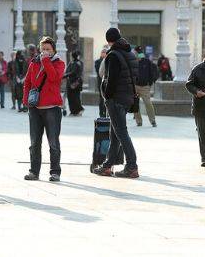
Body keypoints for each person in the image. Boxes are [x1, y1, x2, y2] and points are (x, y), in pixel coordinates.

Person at [93, 27, 139, 179]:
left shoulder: (113, 55)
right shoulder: (129, 53)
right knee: (115, 133)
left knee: (121, 132)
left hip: (116, 99)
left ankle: (132, 166)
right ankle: (107, 165)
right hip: (127, 97)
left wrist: (107, 95)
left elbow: (111, 79)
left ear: (108, 40)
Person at [23, 36, 65, 181]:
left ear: (54, 50)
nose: (45, 52)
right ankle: (34, 171)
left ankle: (55, 172)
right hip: (35, 108)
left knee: (53, 142)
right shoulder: (33, 63)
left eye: (48, 49)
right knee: (34, 142)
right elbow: (27, 82)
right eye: (43, 49)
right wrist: (26, 100)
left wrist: (46, 61)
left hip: (52, 108)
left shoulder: (59, 64)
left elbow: (54, 78)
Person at [132, 46, 159, 127]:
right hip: (135, 86)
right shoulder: (132, 62)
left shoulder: (146, 62)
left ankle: (153, 120)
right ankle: (138, 121)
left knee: (148, 103)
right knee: (135, 104)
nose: (134, 54)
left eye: (135, 53)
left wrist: (151, 82)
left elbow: (154, 72)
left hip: (145, 87)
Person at [65, 50, 85, 115]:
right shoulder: (72, 63)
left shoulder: (77, 63)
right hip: (70, 82)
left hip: (76, 82)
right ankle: (73, 111)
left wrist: (65, 75)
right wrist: (66, 75)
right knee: (71, 97)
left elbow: (73, 72)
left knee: (75, 97)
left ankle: (78, 110)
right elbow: (67, 71)